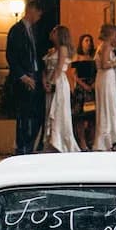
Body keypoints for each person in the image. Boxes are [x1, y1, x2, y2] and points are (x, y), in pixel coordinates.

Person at [5, 1, 45, 156]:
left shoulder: (33, 31)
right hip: (23, 78)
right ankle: (22, 147)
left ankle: (30, 144)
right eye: (37, 12)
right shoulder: (16, 30)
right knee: (24, 114)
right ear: (30, 10)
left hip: (34, 74)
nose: (39, 16)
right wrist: (22, 76)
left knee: (36, 113)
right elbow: (11, 56)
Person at [42, 25, 80, 153]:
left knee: (58, 110)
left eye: (54, 31)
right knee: (49, 110)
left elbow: (59, 67)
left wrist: (51, 82)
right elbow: (45, 67)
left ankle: (60, 140)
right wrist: (45, 81)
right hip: (50, 79)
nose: (51, 33)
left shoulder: (63, 49)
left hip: (58, 82)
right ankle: (51, 140)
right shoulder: (52, 50)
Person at [94, 23, 116, 151]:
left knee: (108, 105)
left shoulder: (103, 46)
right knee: (107, 105)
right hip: (106, 77)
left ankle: (110, 136)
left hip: (106, 78)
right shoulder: (105, 46)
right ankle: (107, 138)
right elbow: (104, 65)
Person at [71, 33, 98, 152]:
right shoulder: (77, 57)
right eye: (86, 41)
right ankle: (82, 141)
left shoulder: (94, 57)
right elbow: (74, 75)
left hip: (92, 87)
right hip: (82, 89)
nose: (89, 43)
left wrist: (93, 84)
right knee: (80, 117)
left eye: (90, 41)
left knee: (92, 116)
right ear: (81, 42)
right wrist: (84, 85)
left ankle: (91, 140)